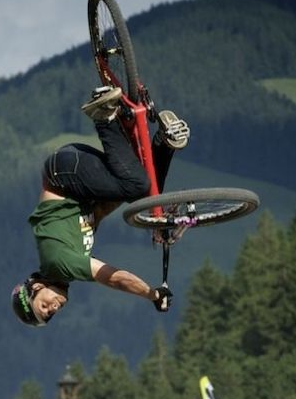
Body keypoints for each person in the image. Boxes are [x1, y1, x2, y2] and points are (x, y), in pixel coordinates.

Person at [11, 86, 190, 326]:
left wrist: (152, 295)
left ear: (36, 287)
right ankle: (164, 142)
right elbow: (101, 209)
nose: (53, 308)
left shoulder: (59, 264)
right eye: (51, 314)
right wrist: (148, 210)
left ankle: (103, 115)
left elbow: (113, 279)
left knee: (135, 186)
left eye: (44, 305)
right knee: (140, 190)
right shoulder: (67, 255)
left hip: (64, 173)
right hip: (76, 174)